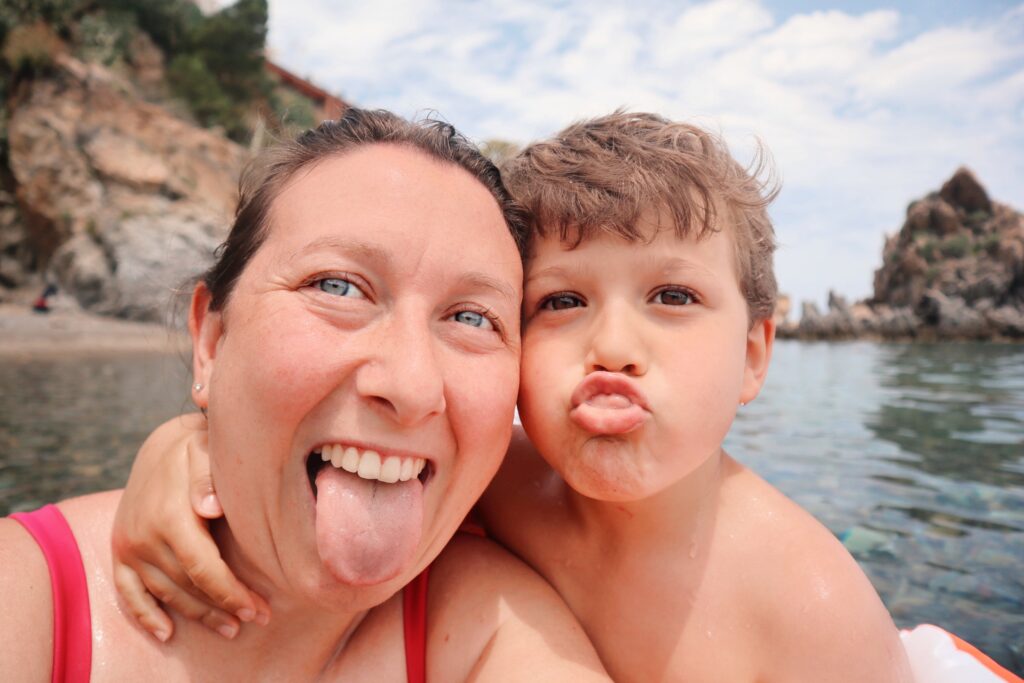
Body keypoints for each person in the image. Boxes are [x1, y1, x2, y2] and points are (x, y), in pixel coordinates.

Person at [110, 112, 916, 681]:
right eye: (562, 302)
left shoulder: (810, 607)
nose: (614, 347)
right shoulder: (501, 477)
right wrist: (185, 446)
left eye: (671, 297)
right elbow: (307, 436)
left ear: (751, 355)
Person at [0, 108, 609, 682]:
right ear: (212, 338)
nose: (411, 386)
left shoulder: (493, 628)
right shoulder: (26, 600)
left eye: (474, 319)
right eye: (339, 286)